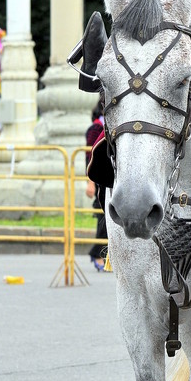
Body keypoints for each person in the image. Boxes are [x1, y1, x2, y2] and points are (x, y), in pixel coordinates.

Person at [85, 101, 107, 270]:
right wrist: (90, 182)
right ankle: (97, 254)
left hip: (109, 177)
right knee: (103, 221)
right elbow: (89, 155)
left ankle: (103, 256)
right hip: (99, 178)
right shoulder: (96, 128)